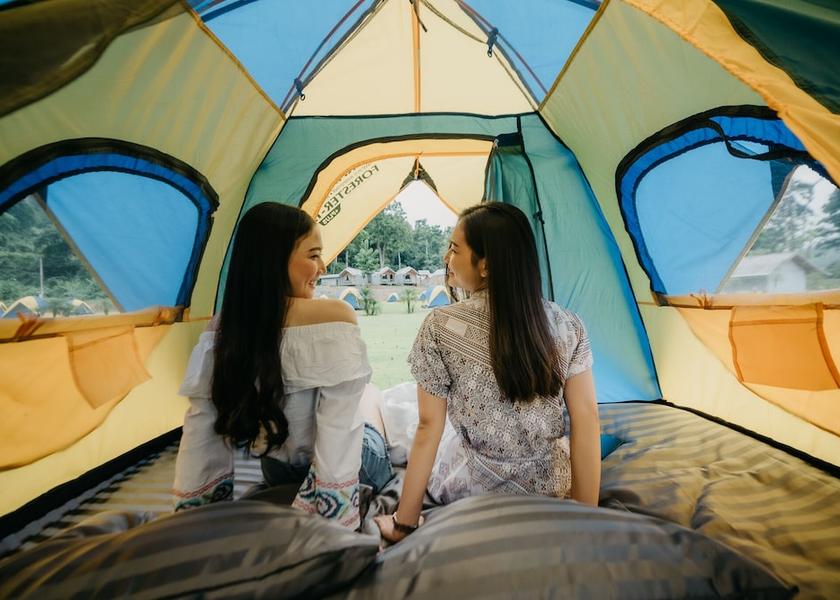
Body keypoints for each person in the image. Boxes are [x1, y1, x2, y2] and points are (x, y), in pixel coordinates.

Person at [376, 202, 600, 542]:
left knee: (407, 416)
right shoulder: (567, 324)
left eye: (454, 248)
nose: (447, 258)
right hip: (552, 486)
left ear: (487, 265)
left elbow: (428, 427)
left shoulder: (440, 326)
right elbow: (586, 418)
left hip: (474, 489)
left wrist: (403, 525)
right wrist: (586, 519)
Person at [173, 202, 392, 530]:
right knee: (370, 400)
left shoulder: (221, 330)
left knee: (365, 398)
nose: (321, 267)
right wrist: (337, 523)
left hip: (277, 470)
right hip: (356, 465)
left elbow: (201, 432)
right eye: (313, 255)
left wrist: (192, 519)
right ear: (274, 259)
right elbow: (339, 433)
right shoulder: (334, 316)